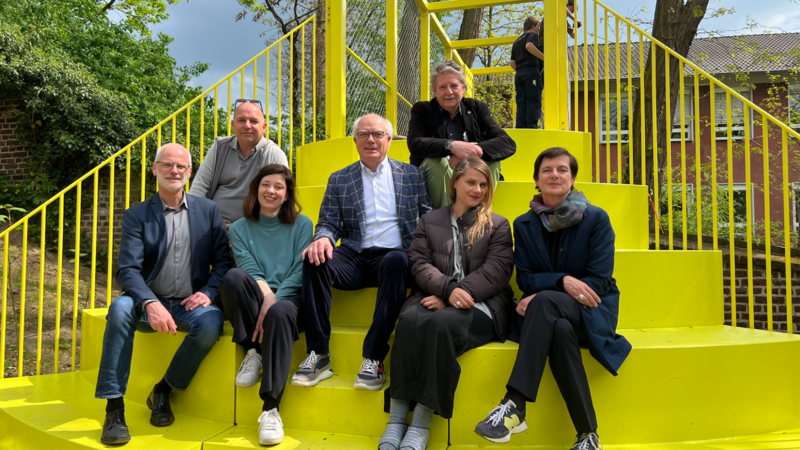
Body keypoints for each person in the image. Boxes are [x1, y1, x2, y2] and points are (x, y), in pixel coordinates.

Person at [473, 147, 631, 450]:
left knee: (544, 302)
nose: (554, 175)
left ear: (572, 179)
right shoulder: (524, 224)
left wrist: (546, 291)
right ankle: (588, 435)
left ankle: (515, 403)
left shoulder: (596, 219)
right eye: (547, 170)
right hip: (550, 319)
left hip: (591, 312)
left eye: (562, 170)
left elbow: (597, 282)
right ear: (536, 179)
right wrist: (561, 281)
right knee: (558, 329)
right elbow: (526, 278)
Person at [95, 143, 231, 445]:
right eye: (167, 165)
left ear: (190, 172)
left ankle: (163, 390)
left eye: (181, 166)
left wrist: (209, 292)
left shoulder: (208, 211)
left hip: (188, 302)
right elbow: (127, 270)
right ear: (155, 169)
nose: (174, 171)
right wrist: (149, 302)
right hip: (146, 301)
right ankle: (114, 408)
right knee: (119, 309)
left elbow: (223, 260)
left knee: (211, 323)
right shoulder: (137, 215)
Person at [378, 158, 515, 450]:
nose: (478, 189)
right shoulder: (430, 221)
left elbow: (497, 271)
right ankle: (396, 418)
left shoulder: (498, 225)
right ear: (454, 183)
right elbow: (418, 263)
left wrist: (455, 294)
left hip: (482, 307)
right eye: (471, 182)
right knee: (410, 320)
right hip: (436, 295)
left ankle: (421, 423)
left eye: (483, 184)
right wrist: (446, 289)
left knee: (440, 325)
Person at [295, 113, 432, 392]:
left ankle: (374, 358)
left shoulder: (413, 175)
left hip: (395, 258)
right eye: (364, 135)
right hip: (355, 256)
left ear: (389, 140)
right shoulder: (339, 179)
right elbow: (328, 223)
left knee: (396, 260)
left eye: (378, 134)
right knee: (313, 259)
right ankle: (319, 355)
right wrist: (322, 238)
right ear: (355, 141)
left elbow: (427, 218)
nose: (371, 140)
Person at [217, 164, 313, 446]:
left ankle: (271, 408)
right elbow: (248, 268)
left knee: (280, 312)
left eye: (278, 187)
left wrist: (276, 298)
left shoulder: (302, 224)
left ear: (287, 195)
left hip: (292, 298)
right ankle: (253, 351)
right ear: (256, 190)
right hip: (258, 293)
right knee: (233, 278)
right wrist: (267, 297)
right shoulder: (239, 228)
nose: (271, 191)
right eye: (265, 185)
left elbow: (299, 269)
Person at [407, 60, 516, 209]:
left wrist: (474, 151)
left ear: (463, 88)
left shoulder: (477, 108)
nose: (449, 92)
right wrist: (451, 146)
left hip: (470, 171)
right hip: (439, 175)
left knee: (494, 163)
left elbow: (507, 143)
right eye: (442, 87)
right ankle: (444, 220)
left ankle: (476, 216)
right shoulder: (422, 110)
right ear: (434, 90)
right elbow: (415, 143)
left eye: (454, 86)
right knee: (439, 164)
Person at [189, 99, 289, 226]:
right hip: (212, 226)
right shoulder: (219, 148)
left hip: (252, 230)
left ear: (264, 127)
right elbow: (199, 188)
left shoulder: (273, 154)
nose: (247, 125)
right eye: (241, 120)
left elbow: (281, 198)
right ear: (233, 125)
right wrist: (195, 221)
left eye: (253, 121)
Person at [510, 16, 544, 129]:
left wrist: (521, 70)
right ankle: (531, 127)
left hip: (519, 73)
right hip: (531, 71)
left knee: (521, 102)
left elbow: (512, 63)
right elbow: (529, 46)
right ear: (532, 26)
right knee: (533, 100)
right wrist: (544, 58)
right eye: (538, 26)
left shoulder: (516, 41)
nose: (539, 29)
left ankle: (521, 127)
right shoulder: (532, 35)